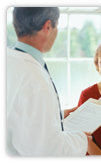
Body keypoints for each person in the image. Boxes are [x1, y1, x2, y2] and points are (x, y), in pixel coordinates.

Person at [7, 7, 92, 156]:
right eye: (57, 25)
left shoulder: (10, 59)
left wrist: (59, 114)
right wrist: (81, 140)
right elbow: (48, 151)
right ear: (47, 27)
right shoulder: (35, 79)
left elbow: (16, 114)